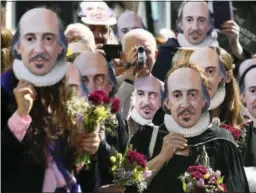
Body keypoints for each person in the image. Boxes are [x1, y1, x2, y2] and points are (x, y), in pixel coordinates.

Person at [1, 8, 100, 192]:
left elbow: (86, 183)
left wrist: (89, 152)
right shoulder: (5, 92)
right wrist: (20, 115)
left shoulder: (65, 98)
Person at [146, 62, 249, 192]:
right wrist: (161, 157)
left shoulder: (222, 142)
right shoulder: (148, 136)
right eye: (177, 95)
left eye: (193, 94)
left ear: (205, 100)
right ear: (167, 102)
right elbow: (127, 188)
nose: (185, 104)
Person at [188, 47, 256, 192]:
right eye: (197, 71)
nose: (202, 78)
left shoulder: (243, 126)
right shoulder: (179, 120)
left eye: (210, 71)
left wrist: (225, 176)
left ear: (227, 77)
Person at [151, 0, 247, 82]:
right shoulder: (166, 53)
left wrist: (235, 44)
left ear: (209, 25)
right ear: (180, 24)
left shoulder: (219, 54)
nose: (195, 27)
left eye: (201, 20)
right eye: (189, 20)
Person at [72, 51, 129, 187]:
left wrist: (102, 144)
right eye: (83, 80)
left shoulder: (117, 121)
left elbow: (126, 173)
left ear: (110, 85)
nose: (91, 88)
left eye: (98, 79)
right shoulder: (59, 122)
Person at [117, 29, 158, 120]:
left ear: (155, 55)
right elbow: (112, 119)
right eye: (135, 51)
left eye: (146, 51)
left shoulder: (165, 90)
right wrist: (129, 81)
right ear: (123, 56)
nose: (141, 56)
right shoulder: (111, 87)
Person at [127, 75, 163, 159]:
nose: (146, 102)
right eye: (140, 94)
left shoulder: (159, 134)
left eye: (153, 96)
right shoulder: (120, 122)